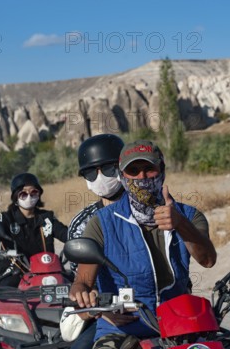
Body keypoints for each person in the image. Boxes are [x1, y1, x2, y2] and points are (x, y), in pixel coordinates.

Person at [70, 139, 217, 349]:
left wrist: (180, 224)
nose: (142, 177)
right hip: (123, 328)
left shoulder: (189, 215)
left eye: (149, 168)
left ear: (162, 170)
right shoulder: (102, 222)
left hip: (181, 324)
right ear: (122, 176)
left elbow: (208, 260)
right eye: (133, 171)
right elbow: (82, 281)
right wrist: (84, 295)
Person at [66, 134, 125, 349]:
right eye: (91, 172)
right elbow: (80, 282)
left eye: (108, 169)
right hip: (106, 314)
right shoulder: (82, 224)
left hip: (158, 306)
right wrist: (99, 308)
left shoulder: (149, 211)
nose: (100, 177)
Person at [0, 173, 68, 287]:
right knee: (6, 293)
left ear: (39, 194)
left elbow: (66, 234)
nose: (29, 197)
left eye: (34, 192)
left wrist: (78, 240)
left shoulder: (47, 218)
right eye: (23, 194)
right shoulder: (7, 218)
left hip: (47, 270)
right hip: (14, 272)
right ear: (16, 197)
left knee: (72, 285)